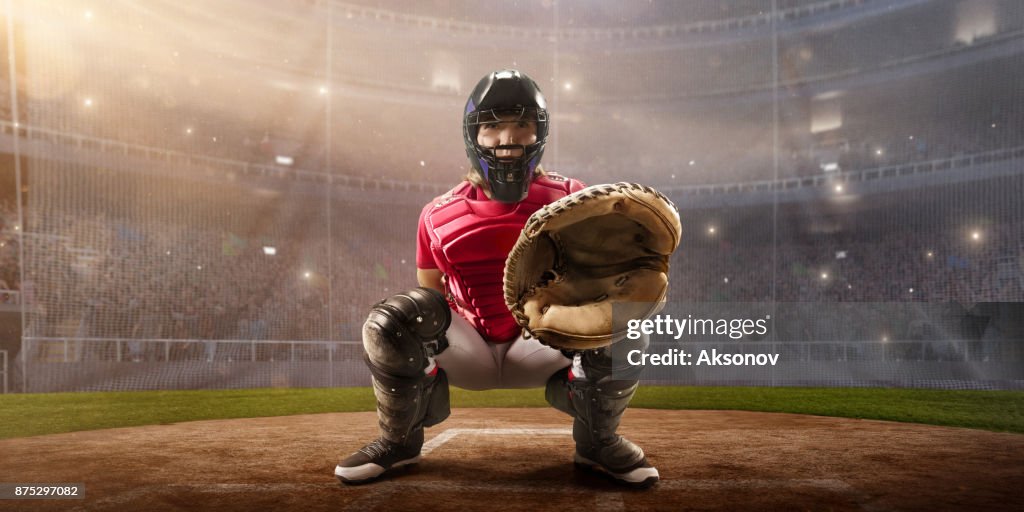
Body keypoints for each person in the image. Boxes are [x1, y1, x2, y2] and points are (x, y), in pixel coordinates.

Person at [334, 69, 658, 488]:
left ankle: (597, 441)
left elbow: (595, 276)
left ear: (539, 132)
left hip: (540, 342)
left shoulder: (572, 198)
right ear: (473, 134)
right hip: (471, 351)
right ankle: (400, 439)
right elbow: (431, 297)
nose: (508, 137)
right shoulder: (437, 214)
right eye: (492, 126)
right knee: (394, 319)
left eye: (522, 124)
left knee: (625, 320)